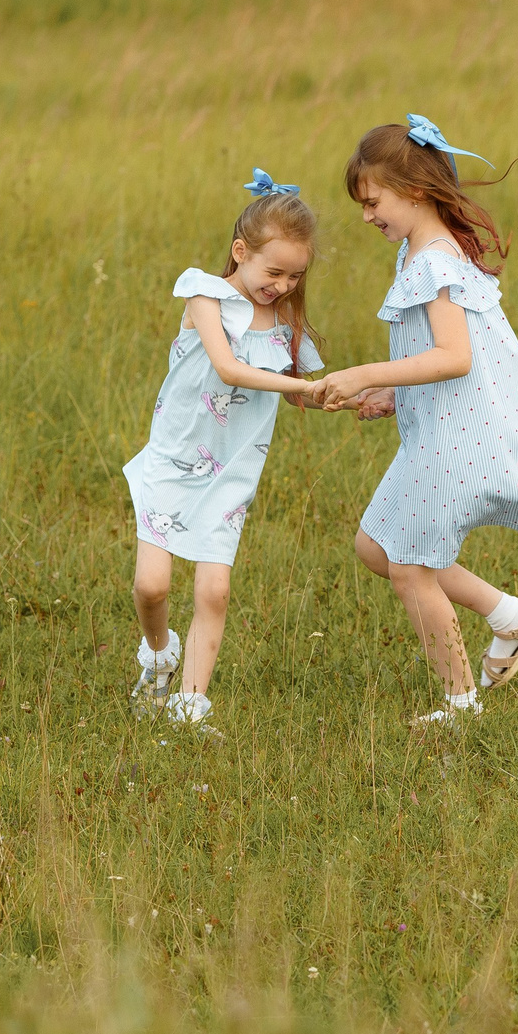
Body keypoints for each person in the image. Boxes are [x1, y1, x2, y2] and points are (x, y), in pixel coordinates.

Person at [315, 115, 518, 726]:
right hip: (438, 425)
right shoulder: (418, 251)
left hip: (457, 437)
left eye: (373, 202)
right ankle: (512, 617)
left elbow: (455, 356)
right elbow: (442, 355)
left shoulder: (435, 263)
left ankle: (460, 705)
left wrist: (366, 374)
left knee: (410, 568)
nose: (366, 215)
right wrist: (392, 397)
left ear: (414, 190)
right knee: (376, 545)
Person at [123, 170, 324, 730]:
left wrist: (362, 395)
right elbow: (229, 367)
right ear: (241, 251)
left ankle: (189, 711)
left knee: (214, 589)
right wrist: (304, 387)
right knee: (152, 585)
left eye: (295, 275)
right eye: (274, 271)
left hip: (232, 470)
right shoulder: (203, 294)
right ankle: (158, 654)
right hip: (174, 457)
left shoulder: (285, 323)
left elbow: (305, 393)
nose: (283, 285)